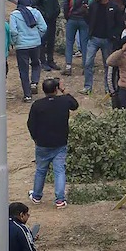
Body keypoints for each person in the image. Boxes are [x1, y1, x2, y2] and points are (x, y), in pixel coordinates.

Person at [26, 78, 78, 207]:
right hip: (60, 142)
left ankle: (37, 196)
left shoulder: (37, 104)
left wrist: (35, 138)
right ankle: (60, 199)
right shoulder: (64, 101)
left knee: (40, 170)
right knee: (59, 171)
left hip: (42, 143)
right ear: (56, 89)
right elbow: (75, 105)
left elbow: (31, 124)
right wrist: (64, 90)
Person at [10, 0, 48, 102]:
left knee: (24, 70)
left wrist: (15, 41)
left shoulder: (15, 14)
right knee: (36, 64)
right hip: (35, 44)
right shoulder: (36, 12)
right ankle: (34, 82)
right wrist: (37, 36)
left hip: (22, 46)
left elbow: (13, 30)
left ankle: (27, 95)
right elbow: (44, 27)